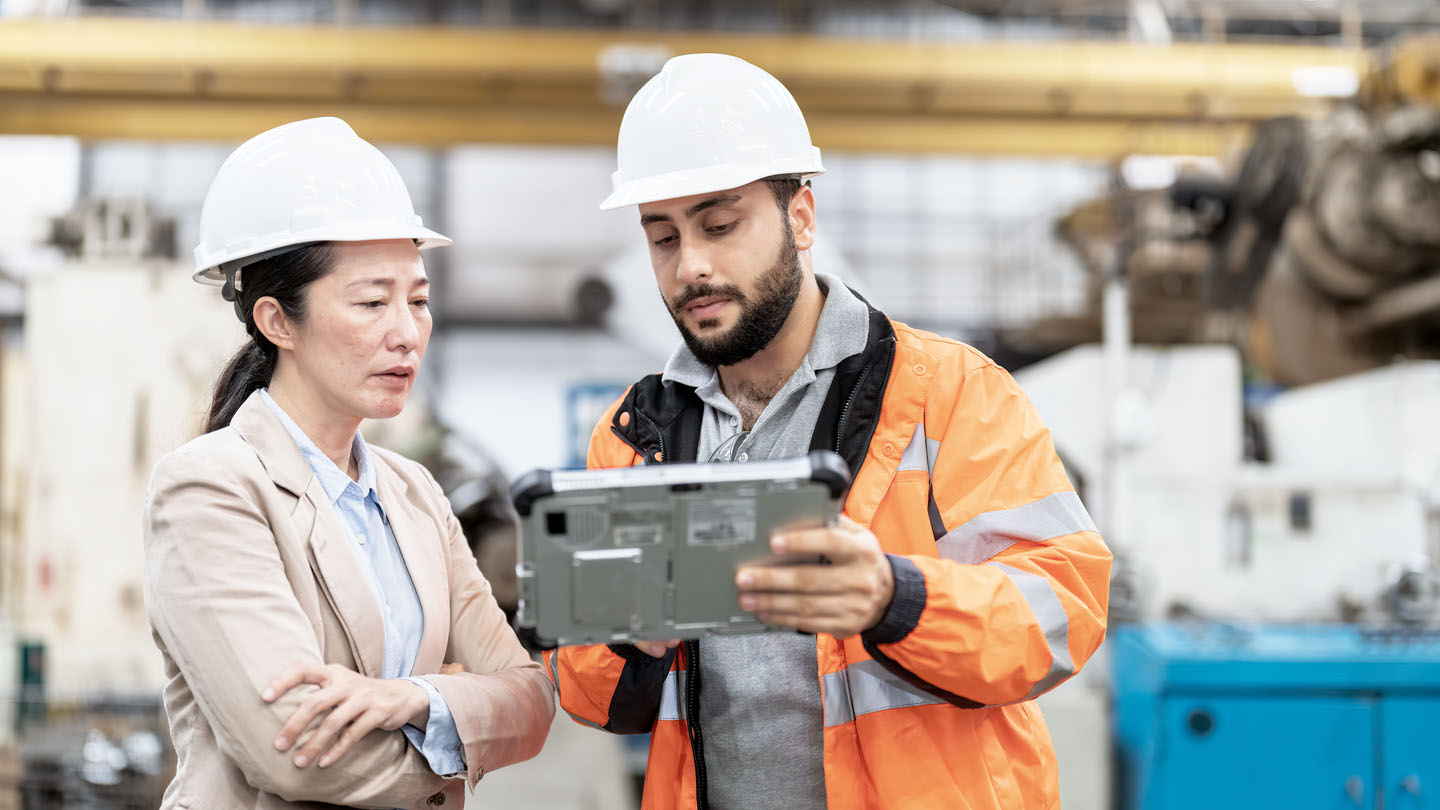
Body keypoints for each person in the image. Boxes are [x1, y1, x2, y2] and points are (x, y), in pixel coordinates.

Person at [545, 55, 1112, 809]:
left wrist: (895, 598)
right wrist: (630, 639)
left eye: (720, 225)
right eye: (664, 238)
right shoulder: (633, 437)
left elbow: (1063, 615)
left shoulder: (950, 391)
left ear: (801, 216)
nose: (692, 267)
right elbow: (591, 697)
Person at [143, 117, 553, 810]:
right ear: (277, 321)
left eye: (419, 300)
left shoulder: (414, 493)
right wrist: (457, 725)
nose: (406, 332)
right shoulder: (211, 488)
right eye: (371, 302)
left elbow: (532, 698)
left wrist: (407, 697)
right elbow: (295, 755)